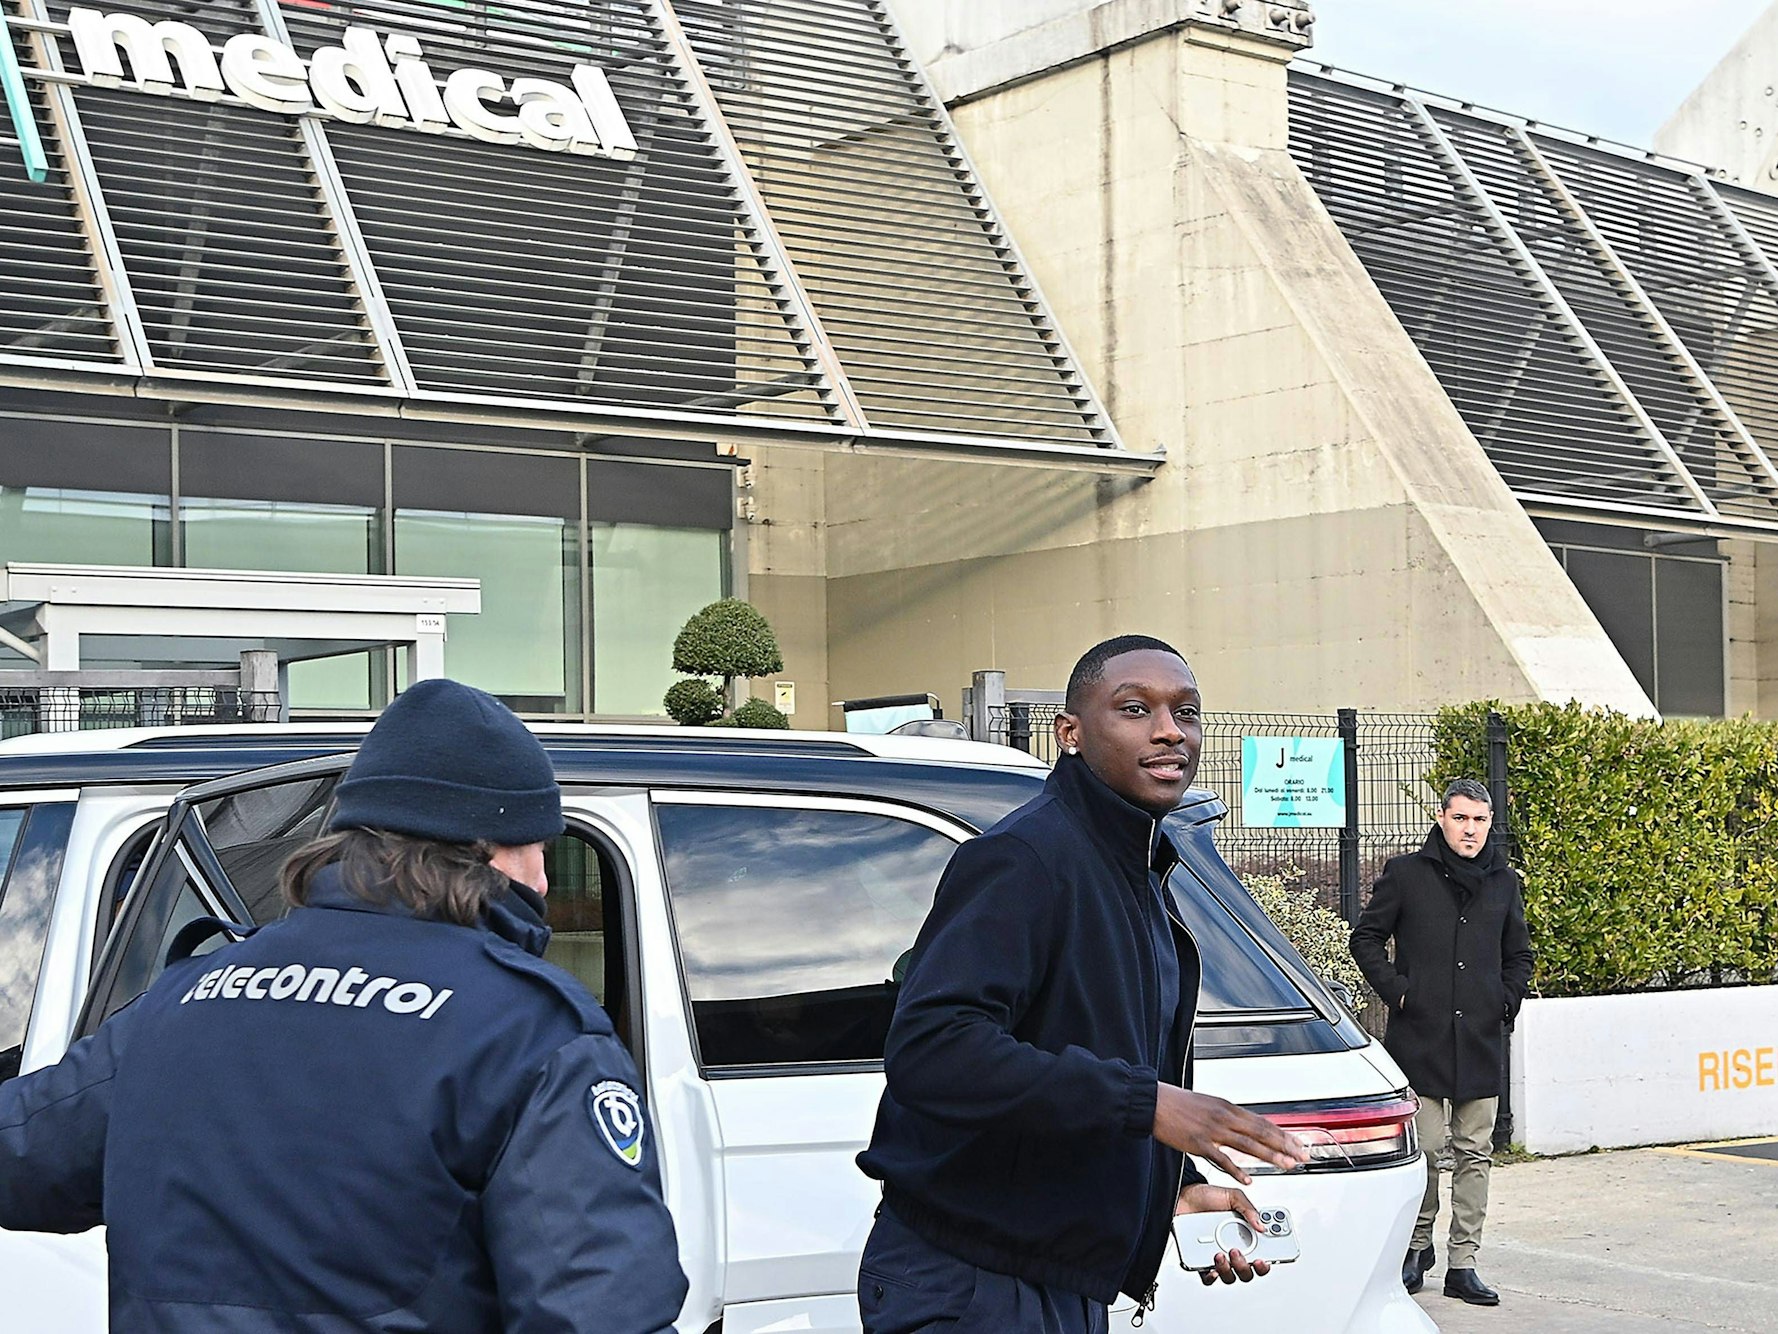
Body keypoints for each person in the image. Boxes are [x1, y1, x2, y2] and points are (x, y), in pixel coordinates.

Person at [0, 677, 688, 1332]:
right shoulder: (530, 1034)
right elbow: (601, 1311)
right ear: (490, 852)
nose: (542, 873)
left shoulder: (182, 1002)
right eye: (539, 844)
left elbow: (23, 1159)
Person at [856, 634, 1308, 1334]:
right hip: (972, 1283)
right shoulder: (1025, 859)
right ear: (1069, 732)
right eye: (1135, 709)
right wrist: (1150, 1105)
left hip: (1060, 1279)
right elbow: (933, 1048)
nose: (1168, 731)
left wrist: (1173, 1193)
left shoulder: (1140, 867)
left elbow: (1095, 1054)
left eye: (1186, 713)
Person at [1349, 777, 1534, 1308]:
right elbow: (1365, 938)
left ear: (1489, 823)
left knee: (1476, 1154)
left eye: (1479, 820)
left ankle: (1463, 1264)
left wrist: (1505, 999)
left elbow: (1518, 953)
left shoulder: (1504, 881)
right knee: (1425, 1150)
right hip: (1420, 1040)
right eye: (1460, 818)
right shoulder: (1406, 874)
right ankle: (1415, 1247)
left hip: (1479, 1039)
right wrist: (1400, 994)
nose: (1469, 829)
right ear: (1441, 817)